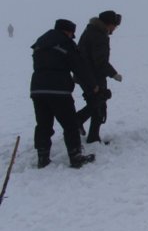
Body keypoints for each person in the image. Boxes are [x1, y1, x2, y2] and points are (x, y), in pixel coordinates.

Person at [30, 19, 98, 168]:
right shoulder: (65, 43)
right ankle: (76, 156)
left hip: (37, 89)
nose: (72, 37)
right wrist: (93, 85)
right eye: (72, 34)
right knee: (70, 124)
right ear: (68, 31)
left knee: (43, 124)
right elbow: (79, 66)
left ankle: (42, 157)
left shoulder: (40, 43)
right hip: (59, 90)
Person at [76, 10, 123, 144]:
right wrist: (114, 74)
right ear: (109, 24)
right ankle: (78, 122)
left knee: (97, 104)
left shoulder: (91, 31)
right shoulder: (99, 35)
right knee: (98, 103)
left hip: (85, 75)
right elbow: (100, 61)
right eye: (115, 25)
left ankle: (91, 134)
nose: (115, 28)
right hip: (93, 76)